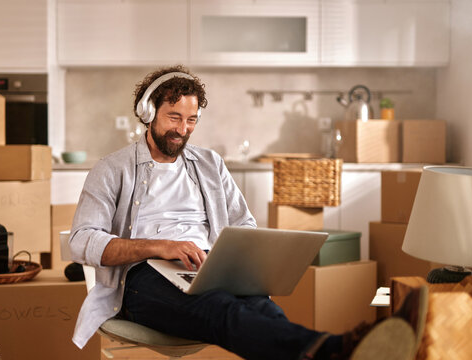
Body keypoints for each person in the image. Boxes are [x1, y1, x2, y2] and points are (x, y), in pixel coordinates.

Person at [68, 65, 423, 360]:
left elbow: (243, 225)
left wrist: (238, 259)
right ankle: (337, 349)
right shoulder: (112, 169)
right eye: (173, 117)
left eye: (191, 120)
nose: (182, 129)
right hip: (141, 281)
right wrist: (159, 246)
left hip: (208, 268)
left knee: (264, 309)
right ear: (148, 113)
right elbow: (82, 241)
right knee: (225, 310)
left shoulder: (209, 164)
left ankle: (334, 351)